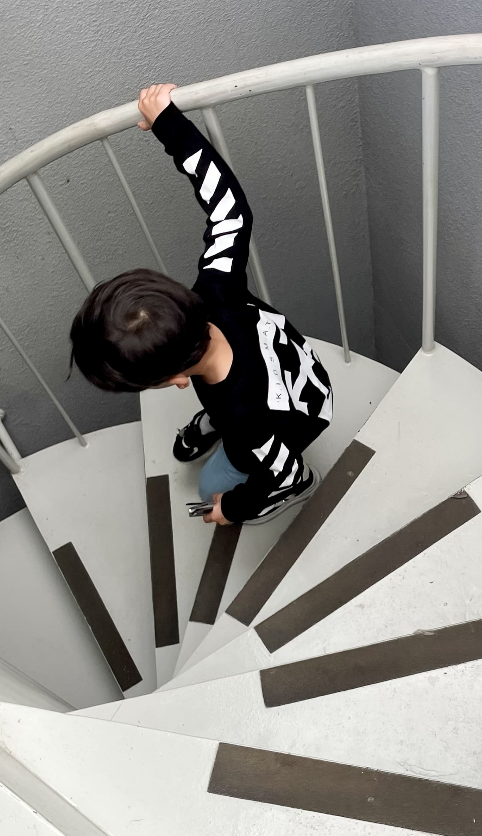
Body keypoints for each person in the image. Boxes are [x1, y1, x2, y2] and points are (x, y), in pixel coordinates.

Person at [70, 84, 333, 525]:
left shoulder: (245, 418)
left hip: (295, 417)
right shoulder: (215, 288)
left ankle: (300, 483)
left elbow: (284, 472)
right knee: (225, 414)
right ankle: (213, 424)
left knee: (209, 487)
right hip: (292, 375)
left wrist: (234, 507)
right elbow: (230, 211)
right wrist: (169, 124)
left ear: (175, 379)